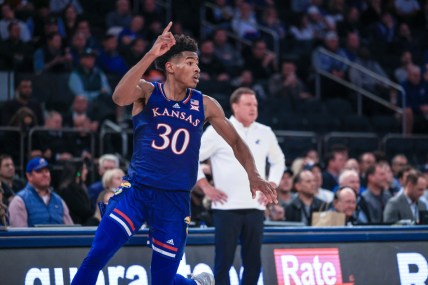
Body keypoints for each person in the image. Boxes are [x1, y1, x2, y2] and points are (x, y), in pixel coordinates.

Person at [71, 22, 277, 285]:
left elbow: (236, 142)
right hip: (136, 191)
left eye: (198, 64)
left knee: (162, 280)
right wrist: (151, 54)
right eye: (190, 62)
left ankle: (196, 283)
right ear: (170, 66)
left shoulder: (205, 104)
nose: (197, 68)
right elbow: (119, 98)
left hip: (174, 200)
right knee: (97, 255)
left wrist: (254, 175)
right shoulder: (147, 91)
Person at [197, 87, 285, 285]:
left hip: (255, 208)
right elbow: (192, 157)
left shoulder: (265, 132)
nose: (253, 108)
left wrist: (272, 183)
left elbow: (279, 160)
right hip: (226, 208)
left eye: (255, 104)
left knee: (253, 262)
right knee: (224, 262)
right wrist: (205, 186)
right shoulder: (218, 130)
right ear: (235, 107)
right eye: (248, 104)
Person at [8, 157, 74, 227]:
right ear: (29, 176)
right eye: (39, 171)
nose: (45, 175)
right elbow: (19, 235)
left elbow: (71, 231)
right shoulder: (19, 201)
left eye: (47, 171)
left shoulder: (59, 201)